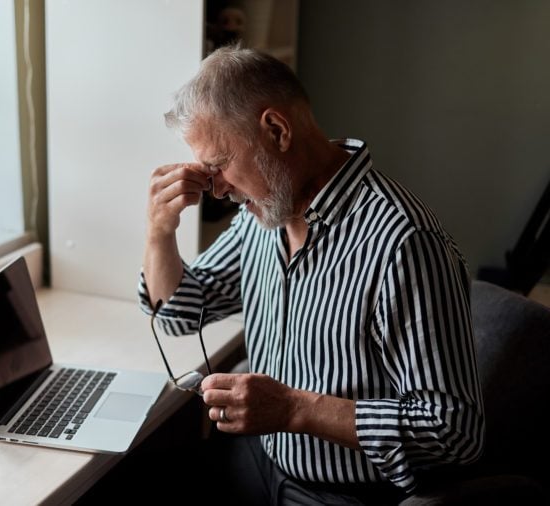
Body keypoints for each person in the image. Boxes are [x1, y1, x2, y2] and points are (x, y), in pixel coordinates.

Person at [138, 44, 485, 505]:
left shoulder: (403, 243)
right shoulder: (261, 217)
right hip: (260, 461)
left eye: (220, 166)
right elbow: (179, 312)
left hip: (343, 493)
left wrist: (292, 409)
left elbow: (454, 430)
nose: (217, 189)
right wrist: (160, 231)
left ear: (277, 130)